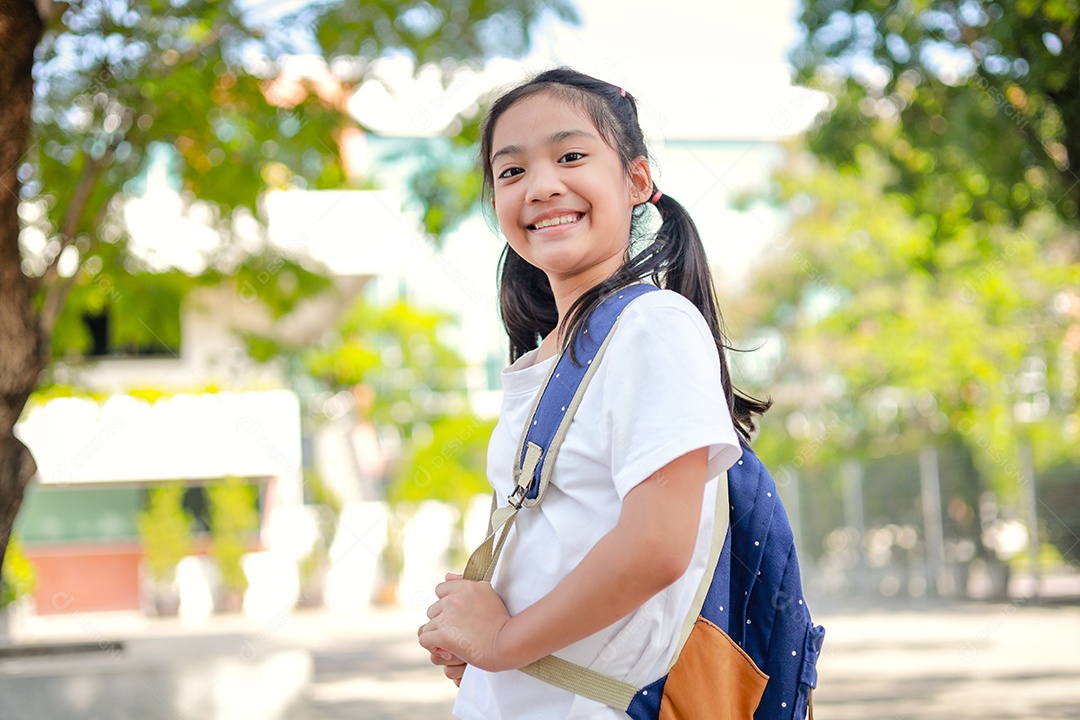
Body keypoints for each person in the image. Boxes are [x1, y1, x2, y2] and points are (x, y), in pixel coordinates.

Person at [417, 67, 771, 719]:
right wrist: (482, 628)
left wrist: (501, 639)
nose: (542, 184)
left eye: (571, 155)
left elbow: (655, 547)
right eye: (511, 171)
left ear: (636, 181)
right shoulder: (553, 357)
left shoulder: (651, 325)